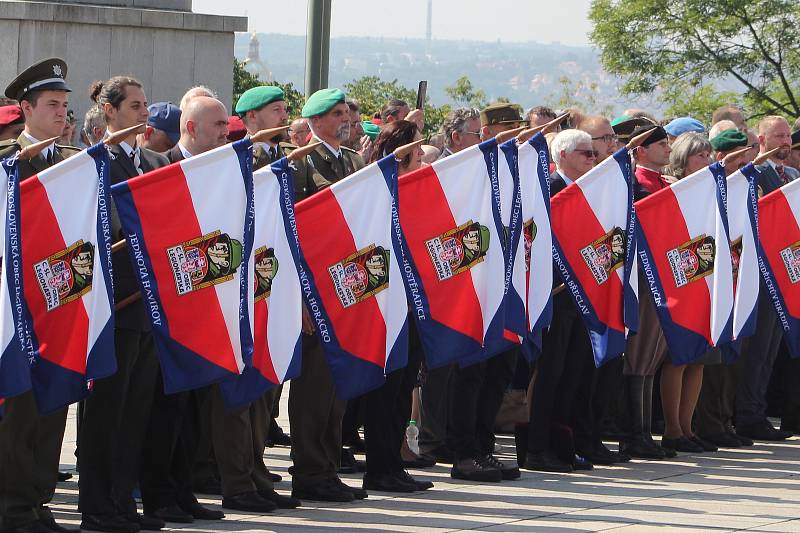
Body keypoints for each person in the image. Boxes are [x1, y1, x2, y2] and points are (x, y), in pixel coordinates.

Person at [78, 75, 170, 533]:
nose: (144, 112)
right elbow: (105, 228)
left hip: (147, 306)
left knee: (135, 412)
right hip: (113, 305)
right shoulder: (96, 162)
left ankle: (121, 502)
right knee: (106, 413)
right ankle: (96, 506)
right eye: (135, 105)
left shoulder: (151, 161)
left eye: (146, 103)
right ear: (109, 111)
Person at [137, 95, 231, 525]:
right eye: (218, 126)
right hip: (166, 312)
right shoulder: (160, 168)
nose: (225, 133)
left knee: (196, 406)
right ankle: (158, 494)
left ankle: (184, 488)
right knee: (164, 409)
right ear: (191, 129)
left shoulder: (223, 172)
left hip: (205, 304)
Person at [0, 57, 81, 533]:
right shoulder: (9, 161)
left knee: (52, 403)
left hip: (60, 299)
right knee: (20, 408)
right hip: (18, 304)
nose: (61, 114)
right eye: (52, 104)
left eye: (65, 106)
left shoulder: (67, 162)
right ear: (26, 109)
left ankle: (37, 497)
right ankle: (12, 505)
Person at [523, 129, 622, 473]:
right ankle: (537, 447)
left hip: (584, 295)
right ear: (562, 155)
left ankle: (563, 444)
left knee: (573, 376)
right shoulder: (551, 187)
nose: (593, 159)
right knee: (550, 375)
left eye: (595, 154)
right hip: (556, 294)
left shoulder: (589, 192)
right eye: (586, 153)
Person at [285, 87, 367, 503]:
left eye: (346, 114)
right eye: (336, 115)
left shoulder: (353, 161)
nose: (345, 120)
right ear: (315, 122)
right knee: (314, 386)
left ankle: (328, 466)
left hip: (347, 285)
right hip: (316, 287)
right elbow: (295, 231)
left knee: (336, 386)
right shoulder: (301, 164)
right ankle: (309, 470)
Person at [446, 103, 525, 483]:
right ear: (459, 138)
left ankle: (483, 448)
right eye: (481, 133)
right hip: (468, 292)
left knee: (498, 372)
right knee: (471, 376)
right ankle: (464, 453)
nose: (490, 139)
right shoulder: (449, 175)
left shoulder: (502, 169)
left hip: (500, 287)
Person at [360, 119, 433, 493]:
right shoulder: (380, 187)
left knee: (404, 385)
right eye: (415, 148)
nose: (421, 153)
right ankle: (379, 466)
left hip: (415, 301)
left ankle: (394, 462)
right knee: (385, 389)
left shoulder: (420, 186)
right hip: (387, 301)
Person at [734, 116, 797, 441]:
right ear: (761, 140)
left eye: (787, 136)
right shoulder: (754, 175)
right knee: (756, 349)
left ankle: (756, 410)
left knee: (772, 348)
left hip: (787, 272)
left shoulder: (795, 176)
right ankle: (748, 414)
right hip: (760, 273)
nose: (785, 142)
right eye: (778, 136)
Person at [658, 132, 718, 454]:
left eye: (708, 156)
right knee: (678, 358)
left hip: (703, 276)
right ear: (682, 161)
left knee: (699, 359)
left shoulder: (709, 190)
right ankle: (672, 429)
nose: (706, 161)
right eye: (700, 156)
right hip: (677, 279)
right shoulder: (672, 190)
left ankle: (688, 427)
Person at [620, 124, 675, 460]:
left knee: (653, 355)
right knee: (639, 354)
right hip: (643, 276)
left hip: (662, 274)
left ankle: (642, 431)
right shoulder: (637, 183)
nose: (668, 149)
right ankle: (633, 433)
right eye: (660, 144)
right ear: (641, 151)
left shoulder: (661, 183)